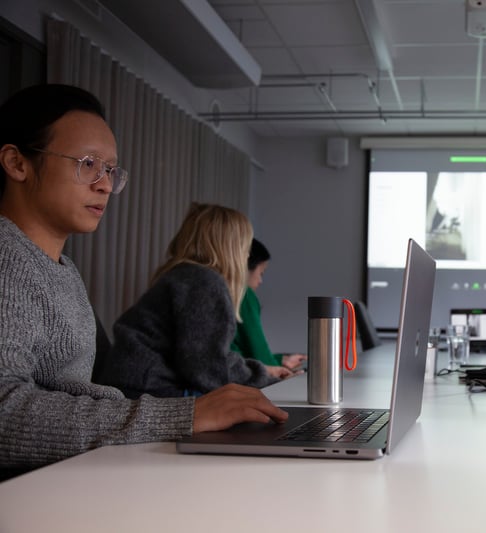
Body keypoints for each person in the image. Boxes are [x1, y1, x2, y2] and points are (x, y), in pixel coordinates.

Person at [0, 84, 287, 475]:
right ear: (17, 163)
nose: (104, 184)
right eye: (87, 163)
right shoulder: (7, 260)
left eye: (110, 170)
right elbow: (6, 413)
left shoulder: (61, 269)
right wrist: (182, 415)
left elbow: (100, 380)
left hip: (75, 469)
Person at [94, 203, 285, 397]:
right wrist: (265, 378)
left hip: (132, 382)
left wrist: (260, 370)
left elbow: (206, 357)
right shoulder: (204, 283)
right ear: (232, 249)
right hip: (146, 390)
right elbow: (208, 369)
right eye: (245, 248)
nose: (246, 256)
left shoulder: (185, 276)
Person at [231, 238, 307, 372]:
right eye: (261, 273)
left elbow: (247, 356)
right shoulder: (244, 295)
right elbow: (260, 356)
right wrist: (281, 371)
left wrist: (280, 360)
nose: (260, 281)